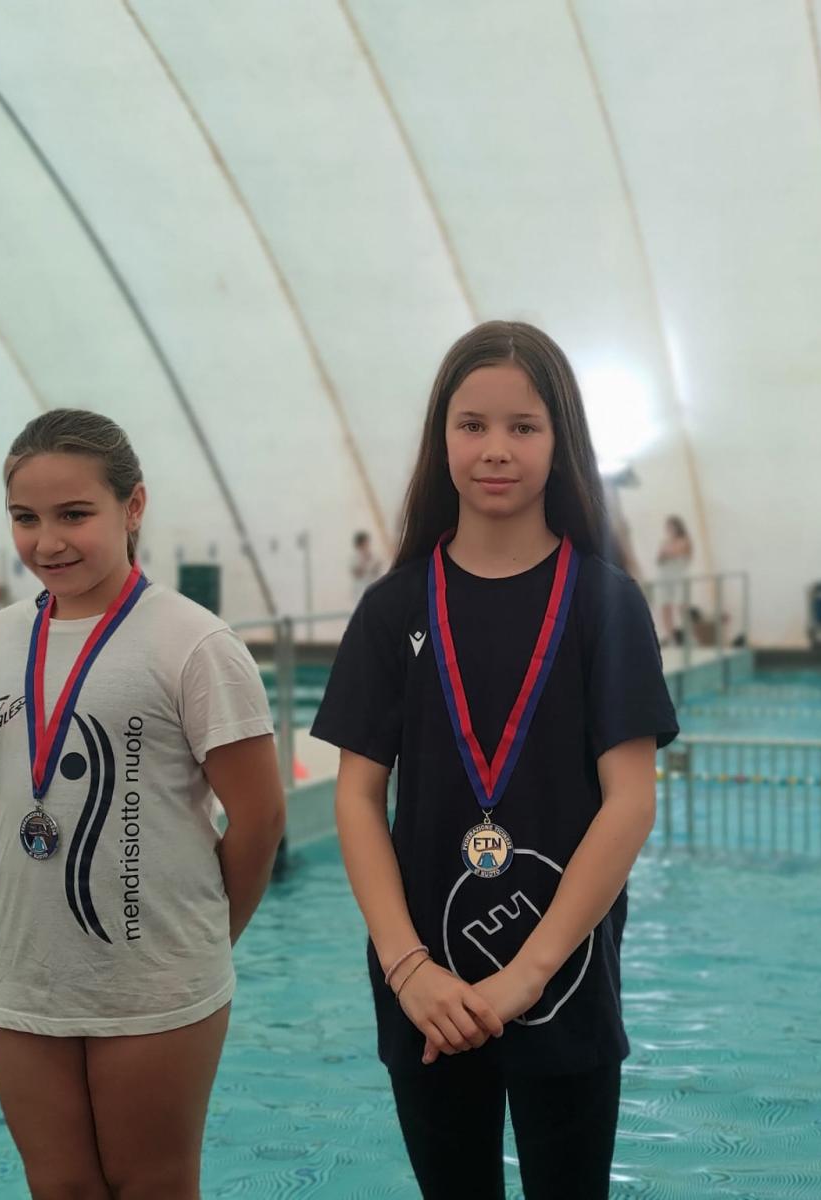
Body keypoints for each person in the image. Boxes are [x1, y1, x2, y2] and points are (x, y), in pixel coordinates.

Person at [311, 321, 678, 1199]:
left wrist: (525, 977)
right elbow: (357, 799)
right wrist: (407, 967)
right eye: (472, 425)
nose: (496, 450)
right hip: (424, 990)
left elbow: (629, 801)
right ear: (441, 438)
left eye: (524, 426)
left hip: (565, 979)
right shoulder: (393, 608)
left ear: (562, 440)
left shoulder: (606, 604)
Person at [0, 409, 286, 1199]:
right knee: (57, 1187)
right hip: (25, 979)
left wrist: (202, 940)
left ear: (133, 507)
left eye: (74, 515)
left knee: (152, 1185)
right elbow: (7, 801)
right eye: (26, 518)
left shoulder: (192, 643)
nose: (47, 542)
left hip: (157, 981)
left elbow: (261, 819)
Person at [655, 515, 693, 644]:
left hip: (678, 577)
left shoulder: (684, 540)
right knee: (665, 606)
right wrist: (665, 550)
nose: (669, 530)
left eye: (672, 526)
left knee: (682, 606)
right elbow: (659, 558)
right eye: (668, 527)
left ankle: (688, 635)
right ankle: (671, 637)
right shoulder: (665, 542)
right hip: (665, 577)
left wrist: (666, 550)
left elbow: (674, 552)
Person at [349, 530, 384, 604]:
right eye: (366, 542)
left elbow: (378, 571)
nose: (368, 545)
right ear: (360, 544)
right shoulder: (354, 558)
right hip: (359, 592)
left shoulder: (374, 556)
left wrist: (375, 566)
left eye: (368, 542)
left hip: (373, 590)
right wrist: (365, 563)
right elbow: (357, 573)